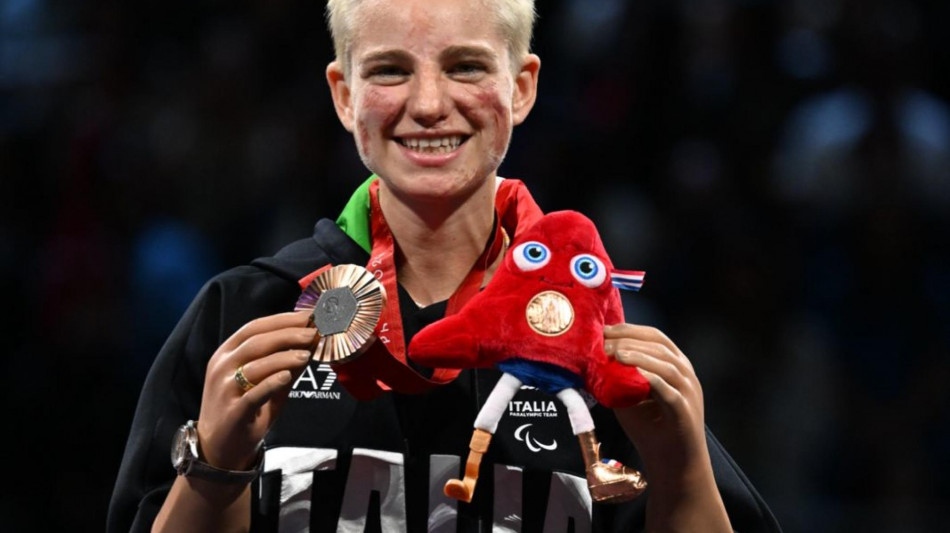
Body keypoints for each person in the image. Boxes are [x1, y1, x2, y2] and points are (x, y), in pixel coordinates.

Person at [108, 0, 781, 531]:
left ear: (522, 87)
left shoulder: (598, 339)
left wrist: (679, 467)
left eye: (465, 66)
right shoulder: (243, 314)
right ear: (344, 95)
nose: (429, 104)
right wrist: (216, 468)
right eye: (389, 70)